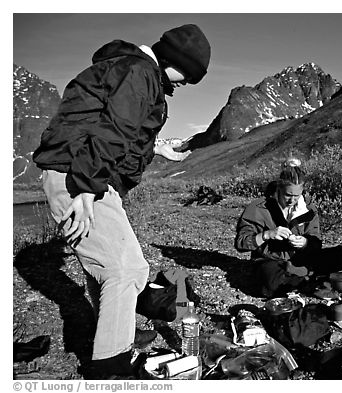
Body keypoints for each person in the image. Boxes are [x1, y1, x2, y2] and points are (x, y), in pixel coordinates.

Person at [32, 24, 211, 379]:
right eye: (187, 76)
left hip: (84, 173)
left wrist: (157, 148)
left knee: (111, 266)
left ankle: (116, 336)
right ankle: (111, 370)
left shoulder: (130, 68)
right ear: (175, 60)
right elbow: (112, 131)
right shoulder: (140, 73)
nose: (184, 85)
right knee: (124, 270)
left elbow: (114, 124)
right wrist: (85, 188)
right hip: (80, 175)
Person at [234, 158, 342, 298]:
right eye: (288, 195)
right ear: (279, 188)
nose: (292, 200)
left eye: (297, 196)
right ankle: (315, 282)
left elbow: (316, 241)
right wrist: (267, 235)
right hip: (270, 261)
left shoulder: (307, 208)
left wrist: (305, 243)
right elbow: (241, 243)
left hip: (302, 259)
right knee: (271, 280)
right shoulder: (259, 208)